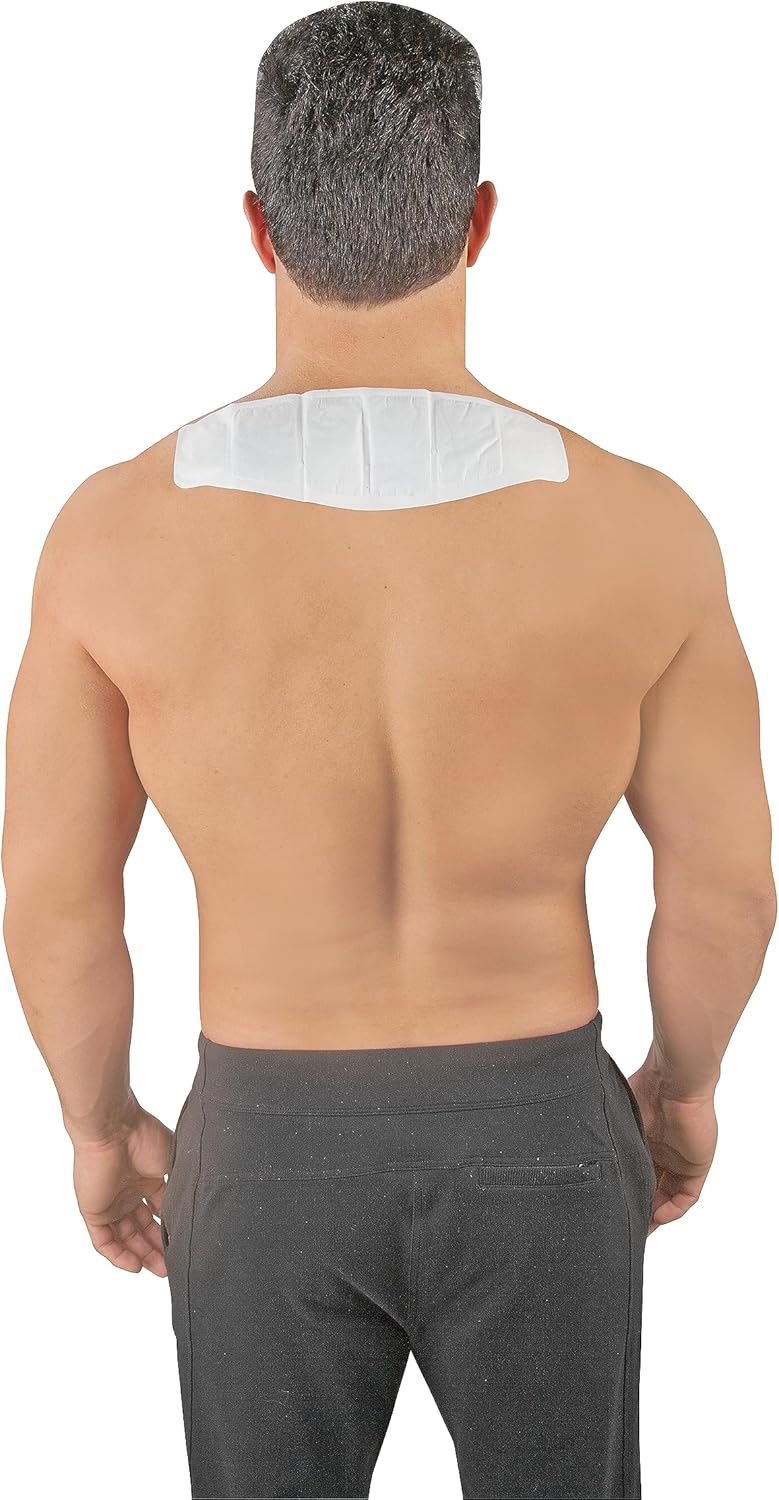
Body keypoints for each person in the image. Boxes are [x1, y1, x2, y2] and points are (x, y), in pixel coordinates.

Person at [2, 4, 775, 1498]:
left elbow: (53, 897)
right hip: (543, 1133)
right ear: (479, 222)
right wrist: (682, 1094)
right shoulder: (643, 528)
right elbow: (729, 884)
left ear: (255, 226)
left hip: (265, 1148)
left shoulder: (114, 538)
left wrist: (99, 1128)